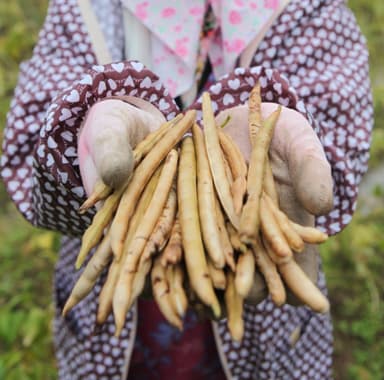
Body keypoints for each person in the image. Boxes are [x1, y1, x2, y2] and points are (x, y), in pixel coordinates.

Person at [1, 0, 373, 379]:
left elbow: (338, 158)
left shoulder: (310, 10)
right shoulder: (87, 8)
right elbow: (24, 147)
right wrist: (84, 129)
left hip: (266, 338)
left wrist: (289, 136)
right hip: (117, 316)